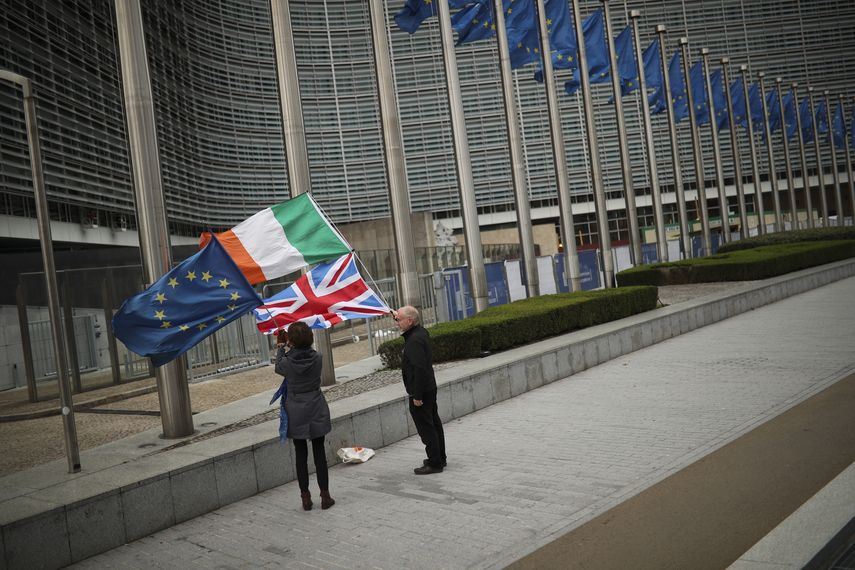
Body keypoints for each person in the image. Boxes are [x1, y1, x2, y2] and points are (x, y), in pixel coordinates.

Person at [275, 322, 335, 510]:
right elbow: (304, 352)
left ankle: (305, 498)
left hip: (295, 410)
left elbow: (279, 366)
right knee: (319, 452)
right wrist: (292, 343)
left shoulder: (286, 362)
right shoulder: (318, 357)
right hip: (316, 407)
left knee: (300, 454)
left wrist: (281, 346)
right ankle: (325, 496)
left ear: (291, 341)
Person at [394, 305, 446, 475]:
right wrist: (396, 314)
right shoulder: (420, 332)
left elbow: (419, 369)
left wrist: (417, 395)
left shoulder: (414, 341)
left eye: (399, 320)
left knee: (427, 428)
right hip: (429, 387)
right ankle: (440, 458)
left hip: (421, 392)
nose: (396, 322)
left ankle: (434, 463)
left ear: (410, 321)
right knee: (434, 423)